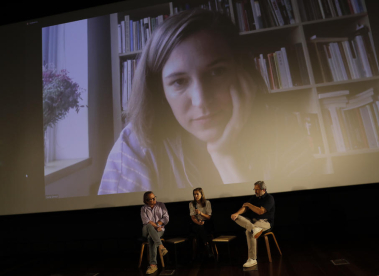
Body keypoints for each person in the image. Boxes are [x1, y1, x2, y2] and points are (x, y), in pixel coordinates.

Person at [98, 8, 315, 195]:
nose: (201, 101)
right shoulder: (134, 147)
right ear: (160, 92)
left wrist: (226, 158)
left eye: (216, 72)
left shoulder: (284, 129)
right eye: (179, 82)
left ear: (241, 71)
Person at [231, 180, 275, 268]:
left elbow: (260, 211)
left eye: (257, 189)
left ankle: (252, 259)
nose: (255, 191)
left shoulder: (269, 198)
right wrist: (236, 213)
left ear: (263, 189)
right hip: (254, 222)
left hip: (265, 222)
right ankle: (254, 228)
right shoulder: (254, 198)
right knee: (236, 217)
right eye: (254, 189)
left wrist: (249, 205)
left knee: (249, 231)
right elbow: (245, 207)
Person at [141, 191, 169, 274]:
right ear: (146, 201)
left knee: (151, 238)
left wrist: (157, 224)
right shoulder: (143, 208)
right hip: (146, 230)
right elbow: (146, 221)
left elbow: (166, 218)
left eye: (154, 197)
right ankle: (161, 246)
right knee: (149, 226)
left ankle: (153, 265)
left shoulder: (161, 205)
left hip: (159, 230)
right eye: (151, 199)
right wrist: (157, 227)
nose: (154, 200)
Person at [189, 187, 214, 259]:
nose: (195, 196)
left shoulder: (207, 203)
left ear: (201, 194)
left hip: (206, 222)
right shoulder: (192, 204)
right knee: (200, 227)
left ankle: (203, 250)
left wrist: (201, 213)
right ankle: (207, 247)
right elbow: (193, 217)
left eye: (197, 194)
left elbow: (209, 217)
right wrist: (198, 222)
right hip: (196, 223)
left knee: (202, 228)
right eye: (194, 194)